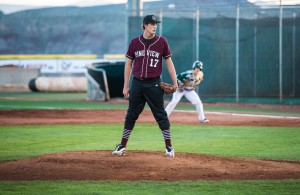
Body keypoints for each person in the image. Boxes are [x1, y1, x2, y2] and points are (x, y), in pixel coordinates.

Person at [112, 15, 178, 157]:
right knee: (131, 114)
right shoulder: (135, 42)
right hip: (137, 83)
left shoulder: (162, 42)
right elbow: (128, 64)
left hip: (153, 83)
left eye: (156, 24)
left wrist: (175, 81)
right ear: (145, 25)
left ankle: (169, 147)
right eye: (152, 24)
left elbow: (169, 63)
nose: (155, 26)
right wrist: (126, 86)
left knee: (160, 114)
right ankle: (122, 146)